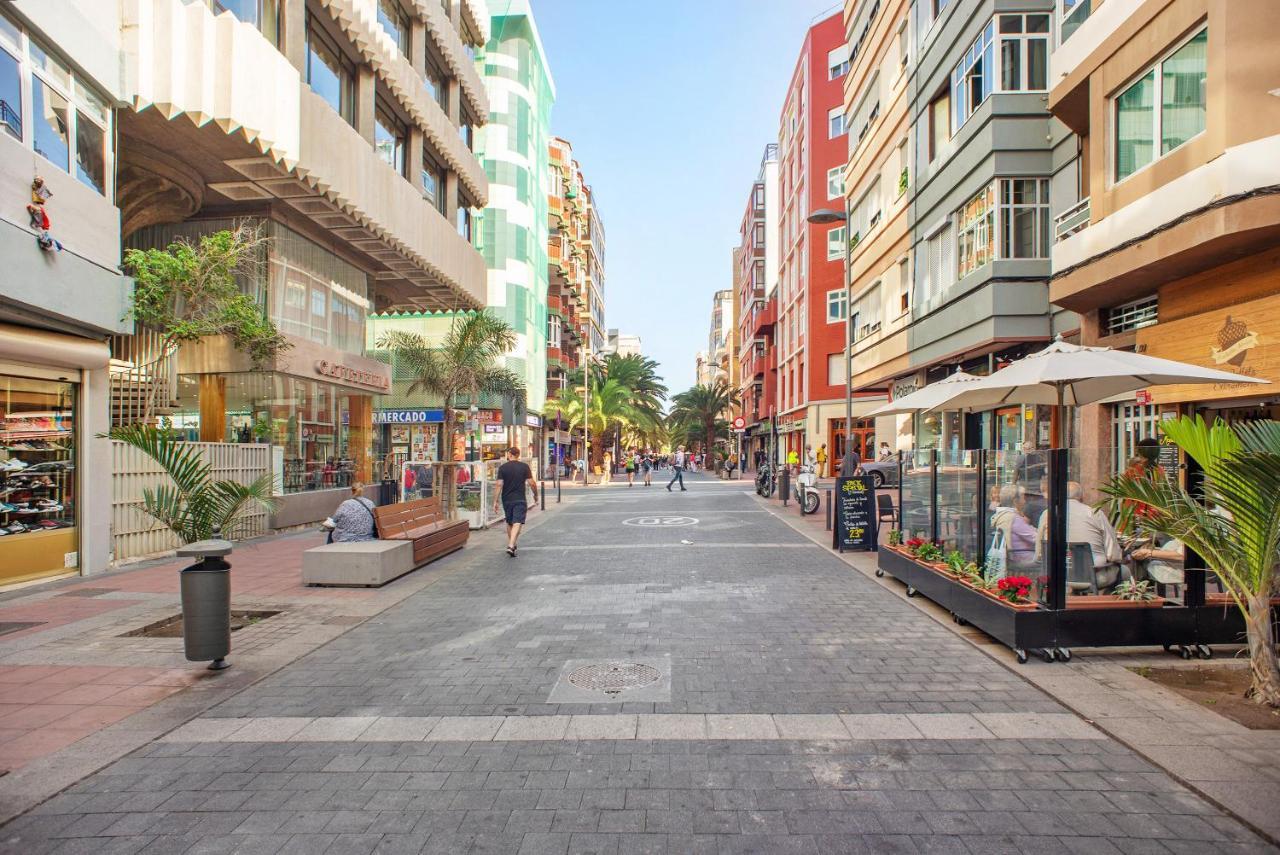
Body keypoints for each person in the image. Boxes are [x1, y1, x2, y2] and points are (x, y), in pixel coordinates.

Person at [494, 447, 537, 557]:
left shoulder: (503, 468)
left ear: (509, 454)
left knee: (509, 522)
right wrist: (536, 495)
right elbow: (532, 483)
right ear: (518, 455)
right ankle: (511, 545)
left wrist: (495, 501)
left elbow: (499, 484)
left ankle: (512, 545)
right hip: (520, 498)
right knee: (517, 521)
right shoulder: (524, 467)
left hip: (506, 499)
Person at [990, 485, 1039, 572]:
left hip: (1013, 556)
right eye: (1023, 498)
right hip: (1024, 557)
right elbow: (1035, 538)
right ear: (1015, 501)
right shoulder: (1014, 518)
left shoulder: (1002, 515)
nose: (1024, 501)